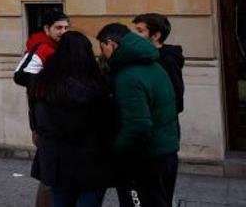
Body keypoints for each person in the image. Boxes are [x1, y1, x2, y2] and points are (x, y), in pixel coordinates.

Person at [96, 23, 179, 207]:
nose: (102, 53)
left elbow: (138, 126)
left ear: (111, 44)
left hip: (144, 158)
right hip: (165, 151)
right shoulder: (153, 64)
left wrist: (116, 147)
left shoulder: (128, 76)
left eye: (102, 47)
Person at [27, 31, 114, 207]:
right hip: (92, 160)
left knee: (60, 200)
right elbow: (108, 123)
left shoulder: (43, 84)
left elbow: (38, 121)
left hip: (58, 160)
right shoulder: (99, 84)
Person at [14, 10, 69, 207]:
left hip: (55, 120)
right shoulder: (42, 48)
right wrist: (52, 86)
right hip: (44, 120)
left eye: (65, 27)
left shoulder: (61, 47)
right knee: (50, 175)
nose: (62, 31)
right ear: (47, 29)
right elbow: (20, 75)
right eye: (58, 28)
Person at [132, 12, 184, 200]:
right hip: (152, 135)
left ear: (156, 35)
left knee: (159, 192)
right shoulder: (143, 58)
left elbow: (177, 99)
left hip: (162, 134)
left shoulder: (166, 60)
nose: (135, 35)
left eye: (140, 31)